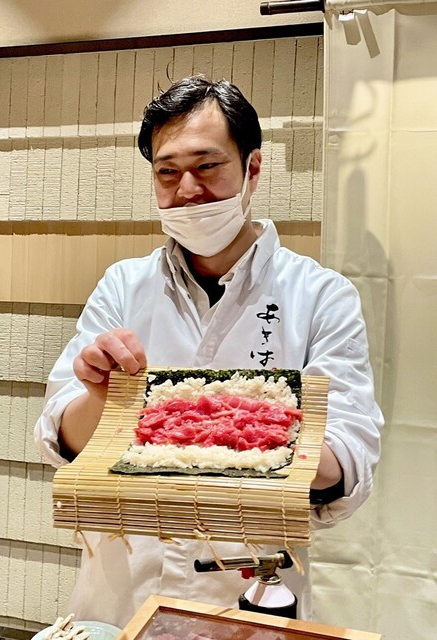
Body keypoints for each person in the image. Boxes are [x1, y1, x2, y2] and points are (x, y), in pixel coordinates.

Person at [35, 76, 383, 627]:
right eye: (167, 172)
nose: (188, 189)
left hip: (249, 584)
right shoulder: (123, 285)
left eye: (207, 165)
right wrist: (103, 396)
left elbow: (347, 462)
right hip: (121, 589)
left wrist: (249, 426)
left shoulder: (320, 294)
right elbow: (64, 441)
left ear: (253, 168)